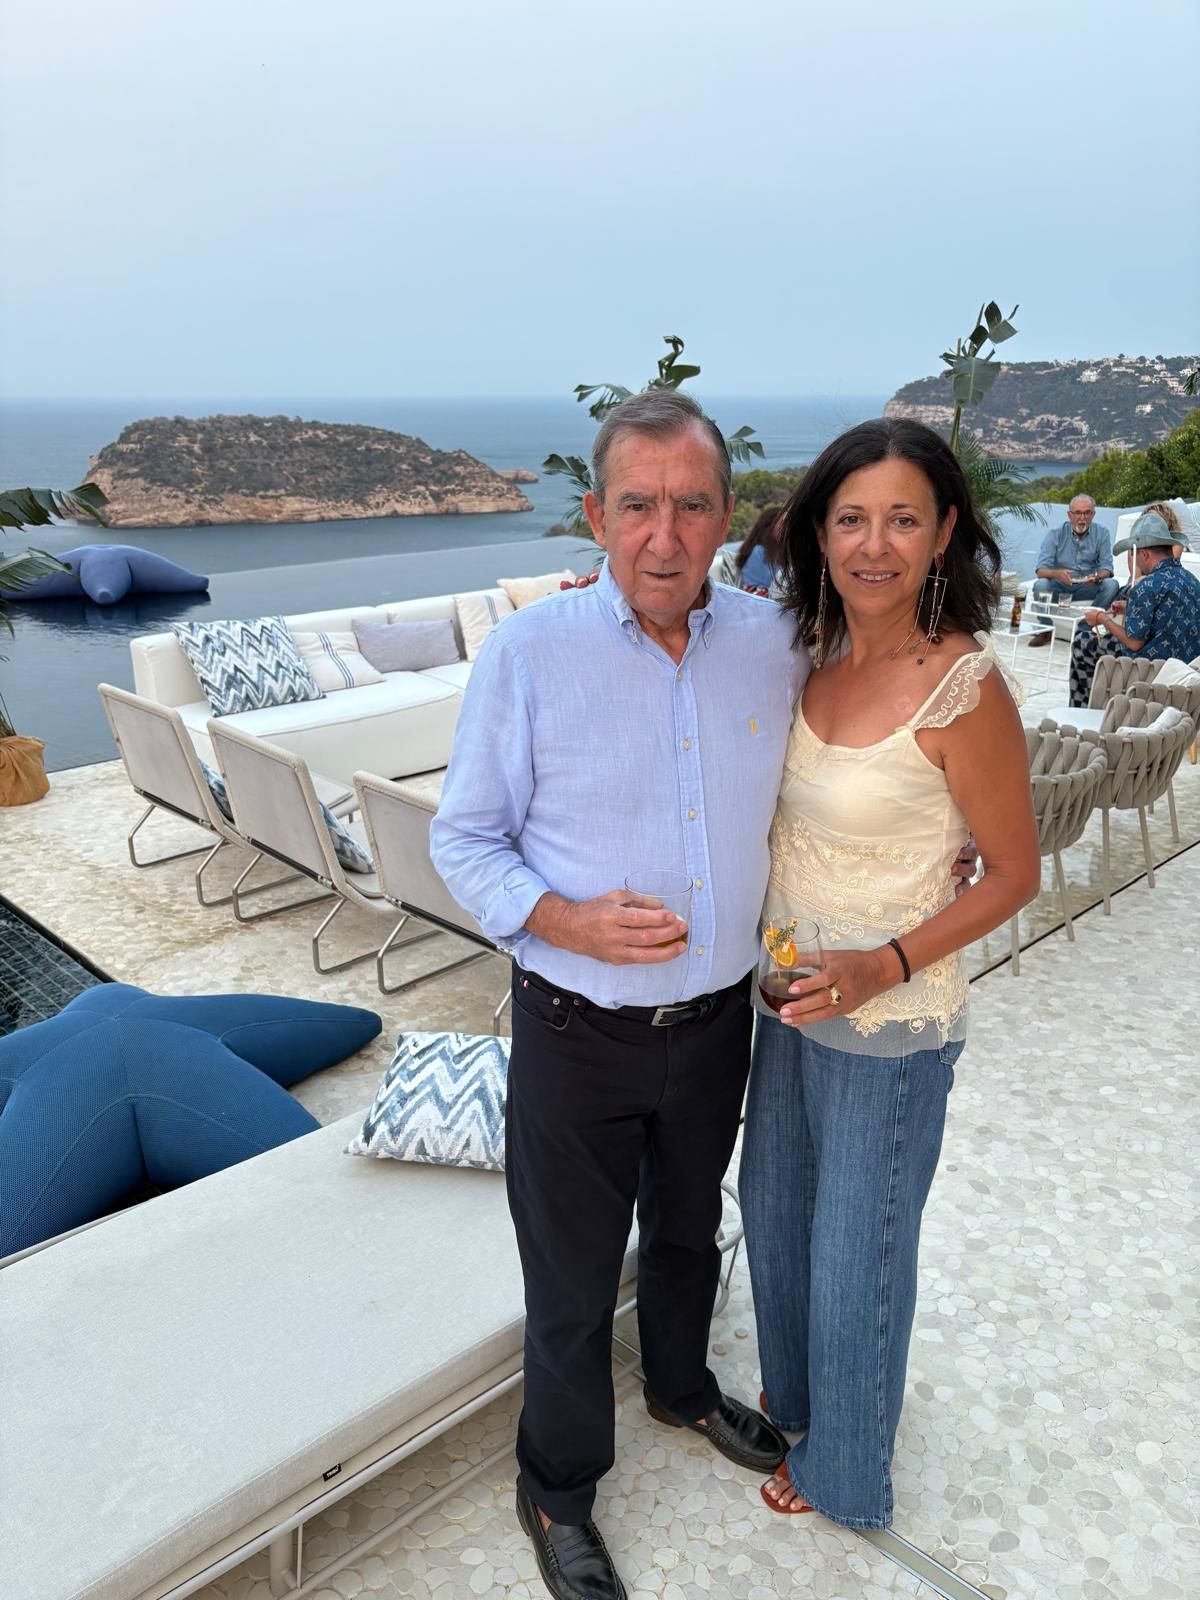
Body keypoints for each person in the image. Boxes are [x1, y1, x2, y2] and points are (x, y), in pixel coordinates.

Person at [430, 390, 799, 1600]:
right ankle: (556, 1485)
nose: (664, 535)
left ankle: (681, 1387)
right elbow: (464, 839)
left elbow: (847, 770)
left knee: (690, 1231)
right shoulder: (529, 655)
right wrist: (564, 917)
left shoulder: (776, 640)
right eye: (637, 504)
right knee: (573, 1278)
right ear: (596, 516)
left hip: (717, 1024)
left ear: (727, 516)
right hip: (575, 1030)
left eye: (691, 505)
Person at [740, 419, 1041, 1528]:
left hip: (892, 1019)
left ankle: (849, 1468)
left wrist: (887, 962)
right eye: (852, 519)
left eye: (903, 519)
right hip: (789, 999)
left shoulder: (964, 687)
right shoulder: (808, 656)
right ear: (817, 532)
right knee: (774, 1212)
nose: (875, 545)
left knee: (854, 1252)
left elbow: (1016, 872)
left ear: (943, 531)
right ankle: (800, 1399)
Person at [1068, 509, 1200, 707]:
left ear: (1144, 554)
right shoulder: (1192, 580)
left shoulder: (1147, 585)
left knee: (1083, 643)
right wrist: (1128, 607)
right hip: (1185, 667)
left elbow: (1134, 643)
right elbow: (1166, 614)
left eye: (1134, 554)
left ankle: (1086, 708)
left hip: (1150, 667)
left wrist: (1102, 618)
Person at [1028, 493, 1119, 645]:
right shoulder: (1055, 533)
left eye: (1087, 513)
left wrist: (1097, 577)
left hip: (1087, 585)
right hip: (1060, 585)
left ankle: (1085, 626)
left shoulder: (1102, 533)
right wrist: (1057, 574)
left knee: (1112, 585)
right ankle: (1045, 629)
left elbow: (1107, 568)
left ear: (1093, 514)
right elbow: (1040, 570)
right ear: (1069, 515)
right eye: (1077, 513)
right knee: (1040, 585)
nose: (1082, 518)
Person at [735, 503, 785, 594]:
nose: (788, 528)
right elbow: (752, 591)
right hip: (756, 599)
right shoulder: (759, 552)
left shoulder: (780, 551)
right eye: (783, 524)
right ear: (768, 527)